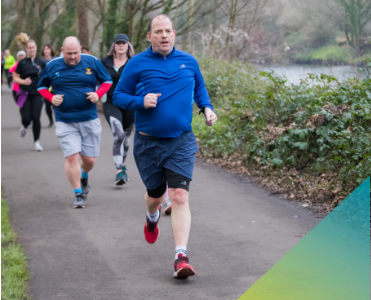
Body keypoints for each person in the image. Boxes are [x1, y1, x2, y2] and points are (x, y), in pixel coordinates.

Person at [113, 15, 217, 278]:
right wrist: (140, 100)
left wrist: (206, 109)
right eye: (158, 31)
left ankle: (181, 257)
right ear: (150, 36)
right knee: (156, 197)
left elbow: (200, 89)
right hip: (148, 144)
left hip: (181, 141)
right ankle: (152, 216)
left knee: (180, 196)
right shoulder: (136, 63)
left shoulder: (188, 61)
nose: (164, 36)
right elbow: (118, 96)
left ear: (174, 33)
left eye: (168, 31)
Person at [37, 37, 112, 208]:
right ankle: (78, 193)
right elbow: (41, 86)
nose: (72, 57)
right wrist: (51, 97)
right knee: (72, 157)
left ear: (81, 50)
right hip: (65, 120)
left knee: (89, 160)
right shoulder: (53, 65)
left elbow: (107, 81)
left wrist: (98, 94)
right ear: (62, 50)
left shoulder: (91, 61)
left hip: (89, 118)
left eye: (76, 53)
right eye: (69, 53)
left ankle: (84, 176)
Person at [101, 33, 135, 185]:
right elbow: (95, 79)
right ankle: (118, 170)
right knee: (118, 135)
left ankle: (123, 164)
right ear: (113, 45)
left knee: (127, 138)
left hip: (128, 103)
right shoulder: (104, 62)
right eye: (118, 43)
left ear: (128, 45)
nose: (121, 45)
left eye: (124, 43)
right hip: (110, 102)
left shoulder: (134, 62)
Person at [13, 40, 46, 151]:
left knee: (36, 117)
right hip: (25, 93)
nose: (31, 50)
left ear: (36, 48)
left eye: (33, 47)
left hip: (37, 93)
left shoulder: (41, 63)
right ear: (27, 49)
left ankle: (37, 142)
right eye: (29, 48)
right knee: (27, 118)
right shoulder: (22, 63)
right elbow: (15, 77)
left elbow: (46, 77)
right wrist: (23, 82)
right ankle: (24, 125)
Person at [41, 44, 58, 127]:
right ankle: (51, 120)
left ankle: (57, 120)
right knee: (48, 105)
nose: (46, 51)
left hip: (55, 85)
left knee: (56, 104)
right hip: (46, 87)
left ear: (51, 50)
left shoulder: (56, 60)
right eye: (44, 49)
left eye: (47, 49)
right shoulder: (42, 62)